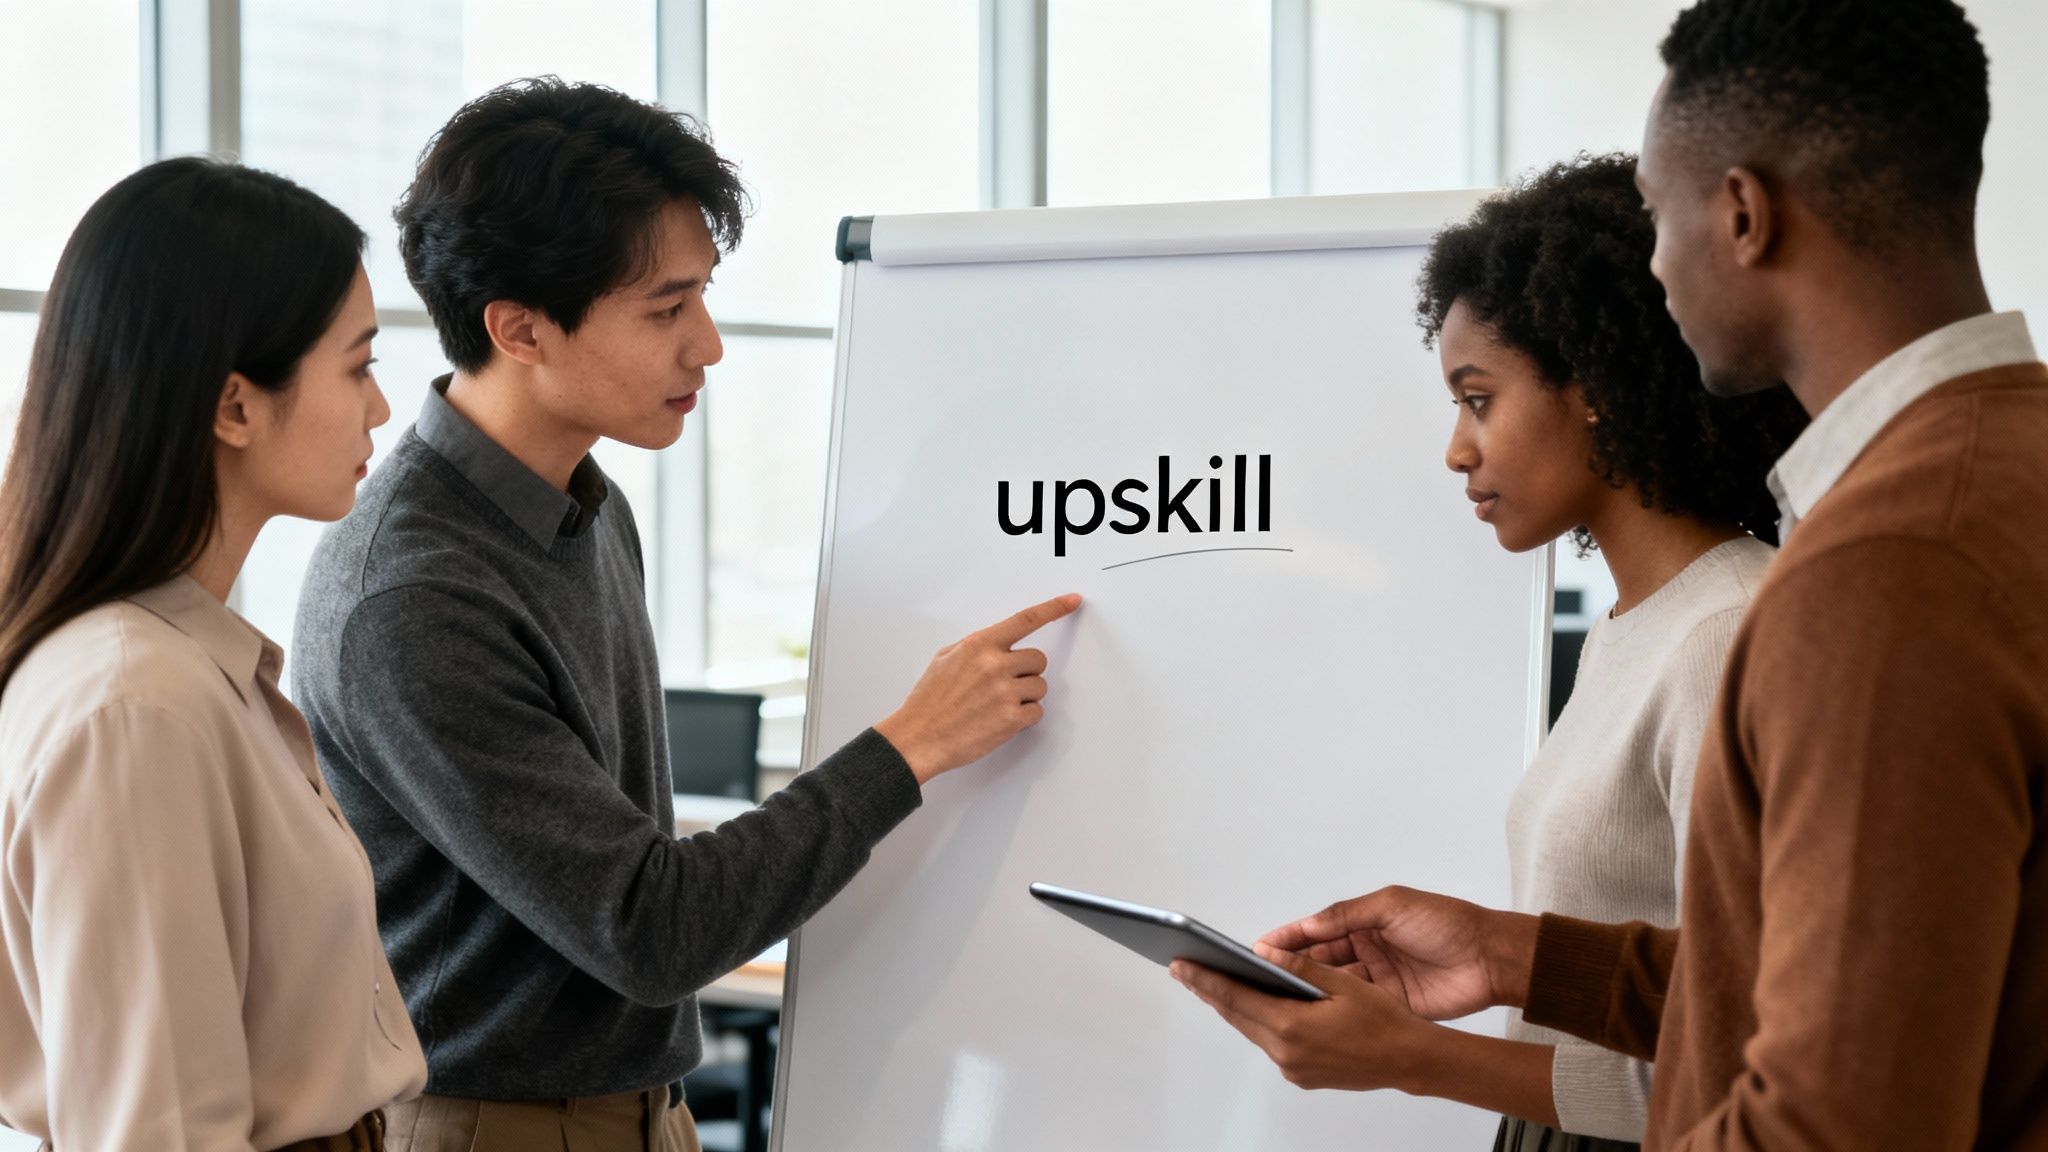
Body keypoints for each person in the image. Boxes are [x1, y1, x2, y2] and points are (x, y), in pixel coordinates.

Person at [1173, 1, 2048, 1148]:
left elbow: (1841, 1120)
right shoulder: (1996, 474)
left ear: (1739, 212)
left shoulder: (1886, 563)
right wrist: (1508, 954)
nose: (1648, 266)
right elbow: (1850, 978)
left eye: (1654, 215)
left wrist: (1429, 1058)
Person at [290, 79, 1078, 1152]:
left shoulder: (584, 505)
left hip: (634, 1115)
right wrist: (914, 742)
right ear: (518, 328)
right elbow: (648, 928)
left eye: (700, 296)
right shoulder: (414, 595)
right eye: (665, 309)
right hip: (492, 1129)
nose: (705, 345)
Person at [1181, 153, 1805, 1149]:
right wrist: (1486, 956)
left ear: (1595, 386)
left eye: (1477, 398)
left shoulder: (1726, 633)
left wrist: (1409, 1060)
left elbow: (1759, 1053)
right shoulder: (1639, 627)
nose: (1454, 449)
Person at [0, 158, 424, 1150]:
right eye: (358, 366)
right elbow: (160, 1131)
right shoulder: (136, 705)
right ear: (234, 405)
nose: (380, 409)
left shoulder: (174, 672)